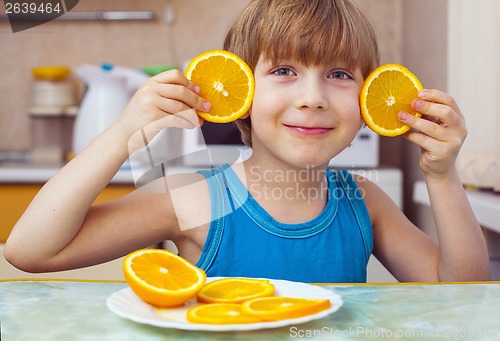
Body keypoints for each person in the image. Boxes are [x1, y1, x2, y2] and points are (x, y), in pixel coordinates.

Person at [5, 0, 490, 282]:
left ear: (367, 98)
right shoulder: (190, 200)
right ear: (239, 93)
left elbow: (462, 290)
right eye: (283, 71)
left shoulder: (363, 201)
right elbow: (30, 252)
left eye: (339, 74)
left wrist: (442, 175)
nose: (313, 97)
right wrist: (120, 137)